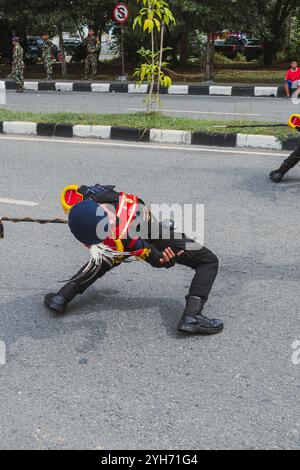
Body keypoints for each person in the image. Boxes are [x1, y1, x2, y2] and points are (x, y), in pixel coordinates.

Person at [44, 184, 223, 336]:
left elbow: (73, 193)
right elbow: (156, 258)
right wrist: (167, 260)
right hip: (146, 233)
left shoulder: (84, 196)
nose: (112, 221)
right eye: (109, 227)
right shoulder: (126, 236)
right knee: (208, 260)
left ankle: (60, 298)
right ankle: (192, 316)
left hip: (128, 236)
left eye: (107, 216)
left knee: (103, 261)